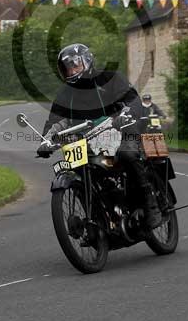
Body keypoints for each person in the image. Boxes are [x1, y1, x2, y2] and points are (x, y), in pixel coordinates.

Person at [37, 43, 162, 230]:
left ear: (86, 61)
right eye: (67, 68)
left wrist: (126, 114)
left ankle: (150, 205)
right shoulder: (65, 93)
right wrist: (45, 141)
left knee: (127, 155)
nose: (71, 71)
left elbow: (132, 99)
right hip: (89, 139)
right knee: (79, 167)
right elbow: (55, 121)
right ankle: (97, 215)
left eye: (75, 65)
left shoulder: (109, 78)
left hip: (122, 129)